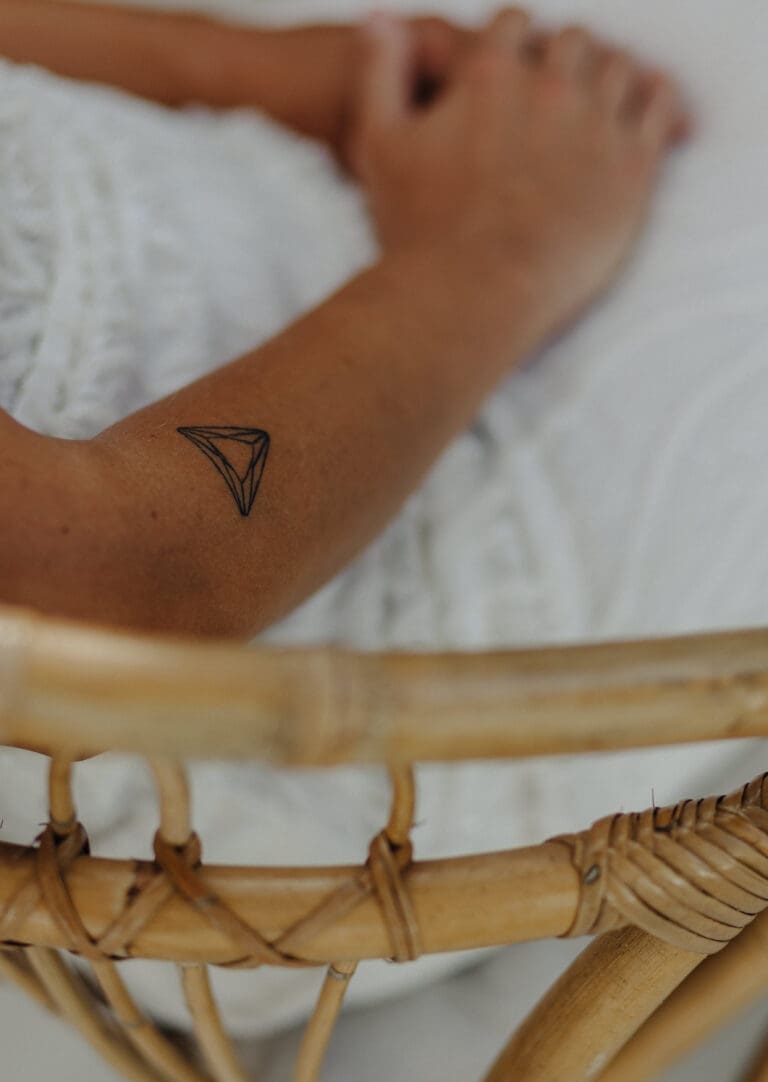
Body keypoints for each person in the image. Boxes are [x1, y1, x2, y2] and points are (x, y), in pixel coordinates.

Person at [0, 0, 688, 638]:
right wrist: (495, 251)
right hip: (370, 599)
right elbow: (106, 579)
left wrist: (232, 68)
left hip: (325, 199)